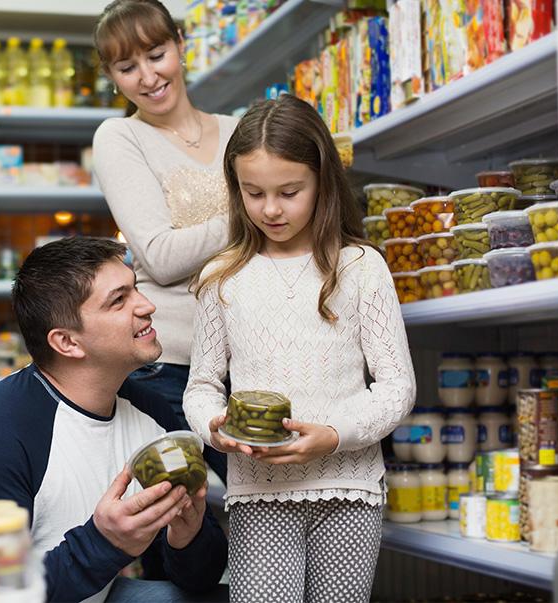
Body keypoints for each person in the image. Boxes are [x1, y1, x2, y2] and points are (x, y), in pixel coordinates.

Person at [183, 95, 416, 603]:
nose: (270, 209)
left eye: (290, 191)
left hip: (349, 490)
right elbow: (201, 384)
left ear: (322, 181)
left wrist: (333, 435)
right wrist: (214, 427)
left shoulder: (360, 268)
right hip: (258, 491)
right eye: (253, 192)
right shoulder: (221, 276)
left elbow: (397, 386)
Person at [0, 237, 228, 603]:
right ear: (68, 343)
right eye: (119, 300)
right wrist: (104, 543)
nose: (147, 305)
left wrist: (188, 538)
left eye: (135, 288)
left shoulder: (150, 411)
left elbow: (200, 578)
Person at [92, 0, 238, 481]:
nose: (148, 76)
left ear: (180, 43)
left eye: (156, 54)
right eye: (127, 66)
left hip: (252, 354)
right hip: (168, 367)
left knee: (266, 502)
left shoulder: (240, 132)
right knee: (174, 521)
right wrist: (251, 218)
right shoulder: (120, 137)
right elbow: (159, 256)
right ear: (113, 76)